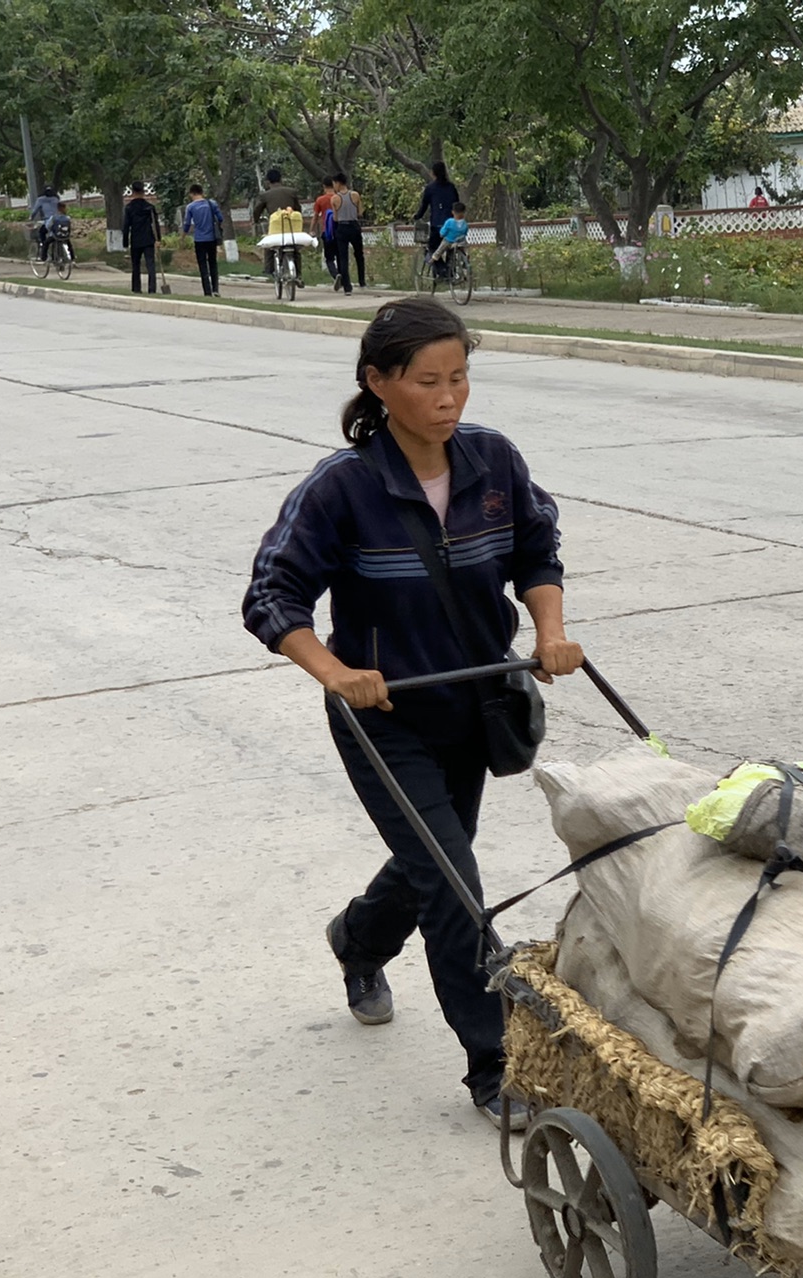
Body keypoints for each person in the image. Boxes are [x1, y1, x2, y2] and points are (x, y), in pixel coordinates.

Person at [241, 296, 582, 1127]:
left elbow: (536, 551)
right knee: (455, 887)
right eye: (429, 381)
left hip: (474, 701)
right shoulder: (342, 489)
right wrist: (334, 669)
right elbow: (271, 596)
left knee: (437, 859)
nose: (450, 396)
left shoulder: (493, 462)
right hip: (384, 716)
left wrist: (551, 631)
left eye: (460, 377)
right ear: (378, 384)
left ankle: (358, 939)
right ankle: (493, 1066)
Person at [250, 166, 302, 276]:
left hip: (276, 226)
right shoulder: (291, 192)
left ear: (268, 182)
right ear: (281, 179)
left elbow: (257, 210)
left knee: (269, 246)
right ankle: (298, 274)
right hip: (292, 226)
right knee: (295, 249)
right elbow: (298, 209)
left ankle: (269, 270)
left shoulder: (265, 195)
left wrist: (255, 221)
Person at [412, 162, 460, 265]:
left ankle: (442, 270)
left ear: (433, 173)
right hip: (453, 225)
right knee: (450, 248)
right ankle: (450, 274)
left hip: (438, 226)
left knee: (432, 249)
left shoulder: (430, 188)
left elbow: (424, 206)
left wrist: (417, 216)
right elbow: (457, 204)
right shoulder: (451, 187)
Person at [182, 182, 225, 297]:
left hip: (199, 239)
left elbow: (186, 224)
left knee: (203, 265)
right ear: (202, 192)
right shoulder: (212, 204)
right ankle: (215, 289)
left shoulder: (190, 207)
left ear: (192, 194)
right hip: (212, 238)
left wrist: (183, 236)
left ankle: (207, 291)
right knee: (213, 263)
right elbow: (220, 218)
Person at [122, 181, 161, 294]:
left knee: (136, 265)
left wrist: (125, 243)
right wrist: (158, 239)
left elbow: (126, 226)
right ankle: (152, 288)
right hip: (149, 239)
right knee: (150, 265)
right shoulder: (149, 207)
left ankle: (136, 288)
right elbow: (156, 224)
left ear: (133, 192)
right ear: (143, 192)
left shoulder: (129, 208)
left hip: (136, 239)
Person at [329, 172, 364, 293]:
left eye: (334, 183)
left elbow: (335, 218)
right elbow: (360, 212)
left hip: (342, 228)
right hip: (354, 226)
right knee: (359, 254)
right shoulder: (355, 195)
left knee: (343, 257)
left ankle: (347, 287)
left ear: (338, 183)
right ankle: (362, 281)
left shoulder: (334, 198)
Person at [432, 202, 469, 278]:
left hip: (449, 241)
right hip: (461, 242)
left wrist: (441, 234)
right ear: (464, 212)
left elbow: (443, 232)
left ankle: (434, 257)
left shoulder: (449, 222)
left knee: (441, 247)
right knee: (465, 251)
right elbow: (465, 232)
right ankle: (466, 263)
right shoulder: (465, 223)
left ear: (453, 212)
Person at [30, 187, 66, 262]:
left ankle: (44, 251)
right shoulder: (56, 199)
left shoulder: (40, 200)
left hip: (48, 221)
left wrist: (31, 217)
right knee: (57, 236)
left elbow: (35, 211)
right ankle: (59, 256)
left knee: (42, 233)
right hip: (58, 221)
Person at [314, 179, 338, 278]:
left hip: (327, 231)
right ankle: (343, 276)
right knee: (341, 255)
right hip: (339, 230)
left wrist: (312, 229)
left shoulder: (320, 200)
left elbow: (315, 216)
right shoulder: (339, 198)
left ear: (324, 186)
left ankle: (336, 275)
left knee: (329, 258)